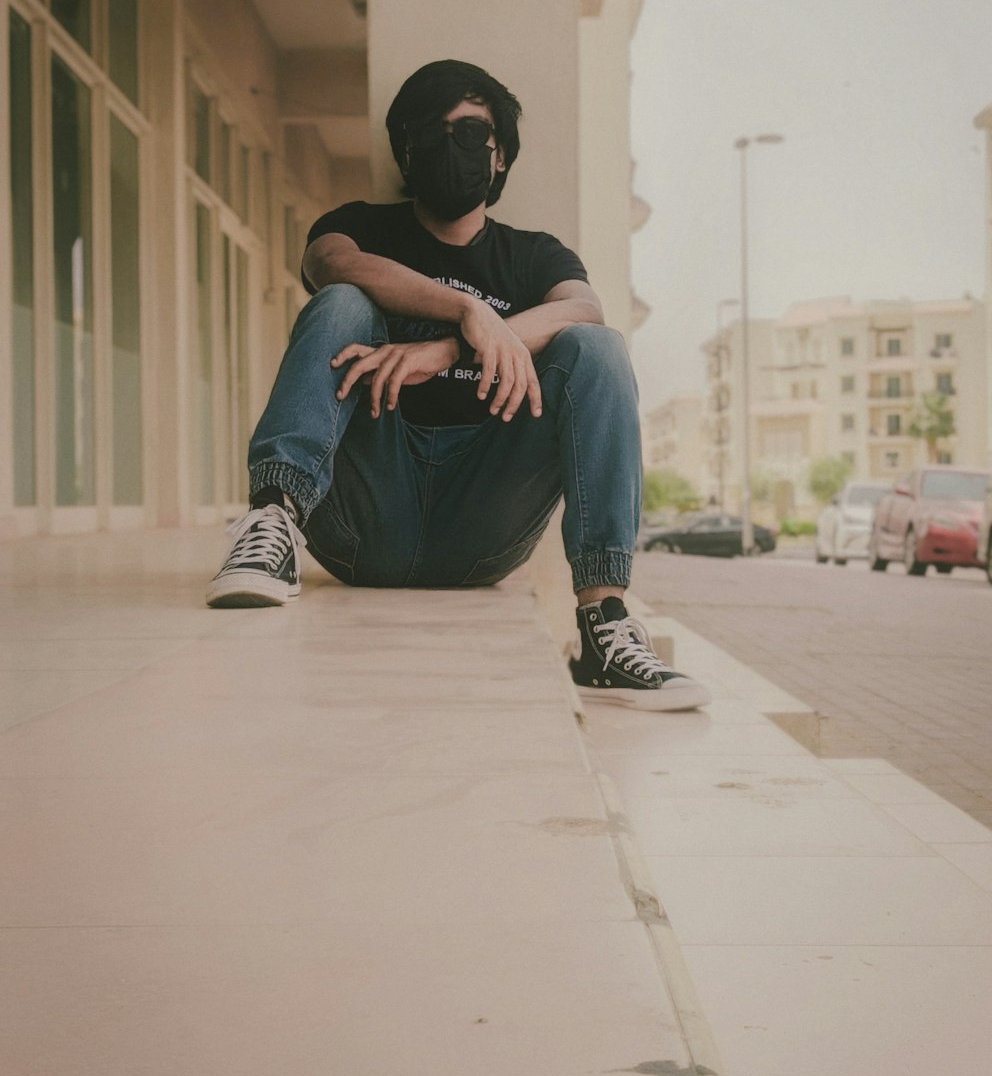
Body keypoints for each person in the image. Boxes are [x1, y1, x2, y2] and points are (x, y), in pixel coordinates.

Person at [207, 59, 709, 712]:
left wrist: (448, 347)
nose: (455, 149)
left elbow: (585, 308)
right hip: (365, 512)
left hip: (481, 516)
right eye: (435, 132)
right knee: (343, 304)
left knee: (596, 350)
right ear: (406, 150)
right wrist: (467, 308)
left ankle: (603, 623)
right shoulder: (362, 226)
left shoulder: (534, 257)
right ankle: (273, 519)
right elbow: (331, 263)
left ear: (500, 158)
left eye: (472, 134)